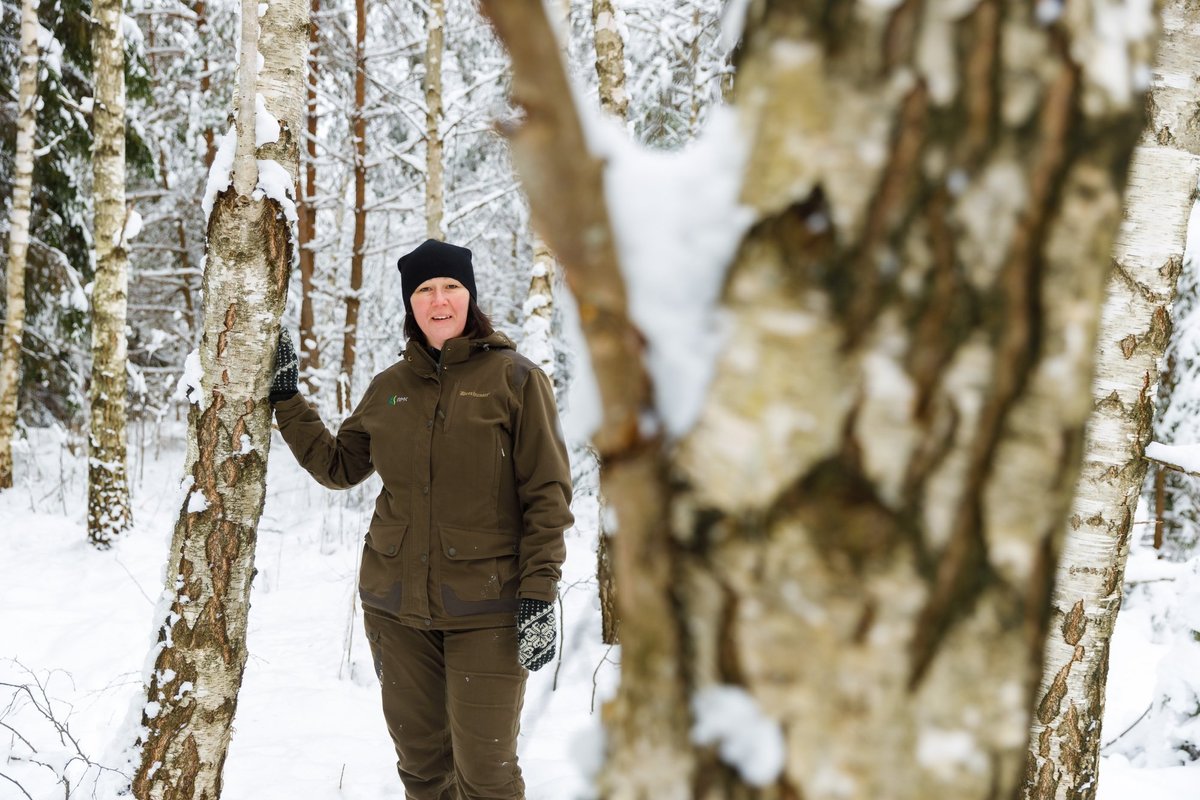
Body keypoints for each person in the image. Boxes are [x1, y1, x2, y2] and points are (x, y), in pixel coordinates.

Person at [268, 238, 573, 800]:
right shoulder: (390, 389)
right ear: (411, 303)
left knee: (487, 775)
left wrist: (539, 593)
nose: (439, 300)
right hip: (396, 611)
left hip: (490, 611)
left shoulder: (515, 380)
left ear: (470, 296)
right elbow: (339, 466)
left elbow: (547, 496)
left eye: (451, 287)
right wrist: (286, 399)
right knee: (424, 773)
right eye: (425, 289)